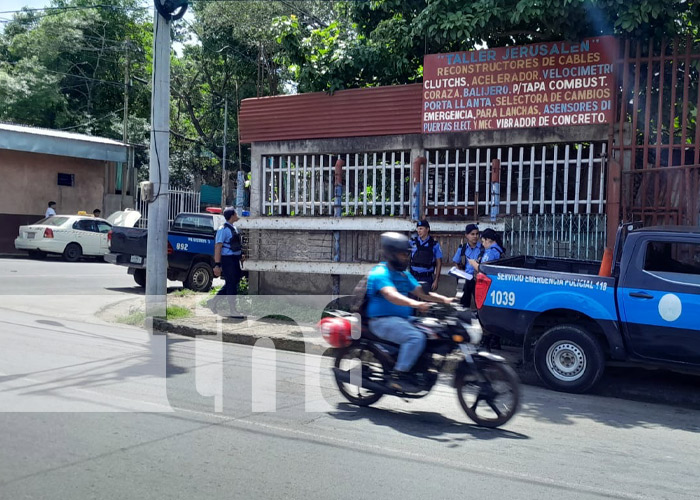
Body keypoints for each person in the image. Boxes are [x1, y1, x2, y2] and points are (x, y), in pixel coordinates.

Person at [366, 232, 453, 392]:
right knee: (416, 338)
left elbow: (422, 293)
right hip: (381, 321)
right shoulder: (380, 273)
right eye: (402, 254)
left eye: (407, 254)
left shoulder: (403, 274)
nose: (406, 258)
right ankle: (398, 376)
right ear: (391, 254)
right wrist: (415, 304)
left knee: (433, 329)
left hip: (401, 320)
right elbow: (391, 295)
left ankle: (418, 368)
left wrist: (446, 300)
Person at [468, 227, 506, 350]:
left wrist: (473, 264)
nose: (482, 244)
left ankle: (485, 343)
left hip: (489, 288)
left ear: (488, 240)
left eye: (483, 241)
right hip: (496, 287)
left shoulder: (491, 252)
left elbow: (483, 269)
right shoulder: (499, 250)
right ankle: (495, 341)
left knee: (485, 315)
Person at [208, 207, 245, 319]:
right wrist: (217, 264)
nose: (237, 215)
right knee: (231, 284)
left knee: (233, 282)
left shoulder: (233, 228)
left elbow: (235, 245)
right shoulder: (223, 229)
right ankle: (232, 310)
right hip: (227, 259)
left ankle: (213, 301)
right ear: (232, 215)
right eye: (236, 213)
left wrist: (240, 255)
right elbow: (218, 246)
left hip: (234, 259)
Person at [452, 223, 483, 308]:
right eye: (472, 234)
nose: (475, 236)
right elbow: (456, 261)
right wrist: (460, 272)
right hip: (465, 279)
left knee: (480, 304)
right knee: (463, 304)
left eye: (477, 234)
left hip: (478, 280)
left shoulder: (482, 248)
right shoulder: (462, 248)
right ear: (466, 235)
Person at [409, 220, 443, 293]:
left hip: (427, 278)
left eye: (421, 228)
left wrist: (436, 280)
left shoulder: (434, 244)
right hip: (413, 277)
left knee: (425, 300)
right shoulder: (412, 242)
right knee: (412, 301)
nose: (419, 231)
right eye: (418, 228)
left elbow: (439, 262)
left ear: (427, 229)